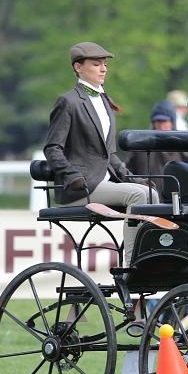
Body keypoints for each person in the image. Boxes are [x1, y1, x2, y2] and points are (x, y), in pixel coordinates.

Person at [44, 41, 159, 265]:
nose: (103, 69)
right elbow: (52, 148)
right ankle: (132, 265)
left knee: (150, 193)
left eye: (104, 64)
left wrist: (133, 178)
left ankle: (148, 256)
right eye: (96, 64)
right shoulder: (68, 102)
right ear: (78, 67)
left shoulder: (104, 101)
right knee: (140, 196)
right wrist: (71, 175)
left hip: (104, 183)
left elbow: (110, 156)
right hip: (82, 188)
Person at [125, 100, 188, 194]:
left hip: (178, 200)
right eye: (158, 121)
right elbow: (128, 173)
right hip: (147, 200)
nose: (162, 125)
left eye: (165, 121)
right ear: (153, 122)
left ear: (172, 122)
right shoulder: (140, 147)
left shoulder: (182, 145)